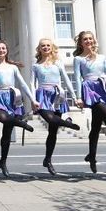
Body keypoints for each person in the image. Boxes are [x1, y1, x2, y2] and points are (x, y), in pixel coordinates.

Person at [73, 31, 106, 173]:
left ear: (94, 41)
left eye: (90, 39)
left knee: (96, 126)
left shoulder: (102, 57)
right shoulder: (78, 59)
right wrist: (78, 97)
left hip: (102, 87)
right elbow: (78, 78)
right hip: (89, 89)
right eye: (85, 39)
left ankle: (92, 156)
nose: (88, 41)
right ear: (81, 42)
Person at [0, 40, 36, 177]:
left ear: (6, 50)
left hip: (12, 98)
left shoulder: (13, 68)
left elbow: (23, 84)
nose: (1, 50)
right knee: (3, 118)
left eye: (3, 48)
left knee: (7, 134)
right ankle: (21, 123)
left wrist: (33, 100)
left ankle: (3, 161)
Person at [32, 38, 81, 175]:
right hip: (42, 96)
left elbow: (66, 80)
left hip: (57, 96)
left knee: (52, 132)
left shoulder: (58, 63)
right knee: (50, 119)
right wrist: (32, 99)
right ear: (39, 49)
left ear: (52, 47)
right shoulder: (36, 66)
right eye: (43, 46)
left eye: (48, 45)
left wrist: (75, 97)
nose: (46, 47)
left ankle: (48, 160)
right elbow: (32, 84)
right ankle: (67, 123)